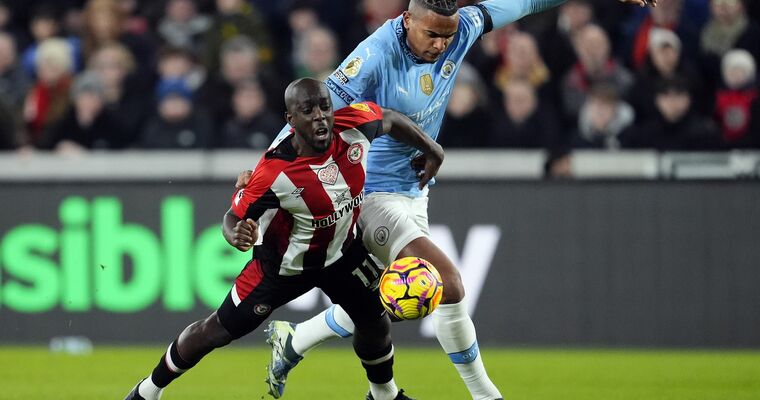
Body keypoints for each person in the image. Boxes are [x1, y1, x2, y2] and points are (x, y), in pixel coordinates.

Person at [236, 1, 656, 399]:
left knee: (379, 298)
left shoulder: (462, 29)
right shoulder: (375, 54)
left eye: (447, 36)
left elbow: (525, 3)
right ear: (407, 20)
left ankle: (295, 340)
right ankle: (486, 394)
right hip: (371, 191)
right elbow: (310, 116)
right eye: (432, 35)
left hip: (414, 189)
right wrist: (259, 176)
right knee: (447, 284)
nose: (441, 45)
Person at [124, 78, 444, 400]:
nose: (320, 116)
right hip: (282, 268)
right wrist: (235, 233)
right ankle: (148, 391)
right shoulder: (273, 171)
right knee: (217, 330)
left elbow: (389, 117)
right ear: (291, 120)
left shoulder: (357, 125)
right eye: (308, 110)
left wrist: (432, 149)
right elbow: (233, 217)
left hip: (342, 254)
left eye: (324, 107)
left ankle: (384, 396)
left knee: (374, 322)